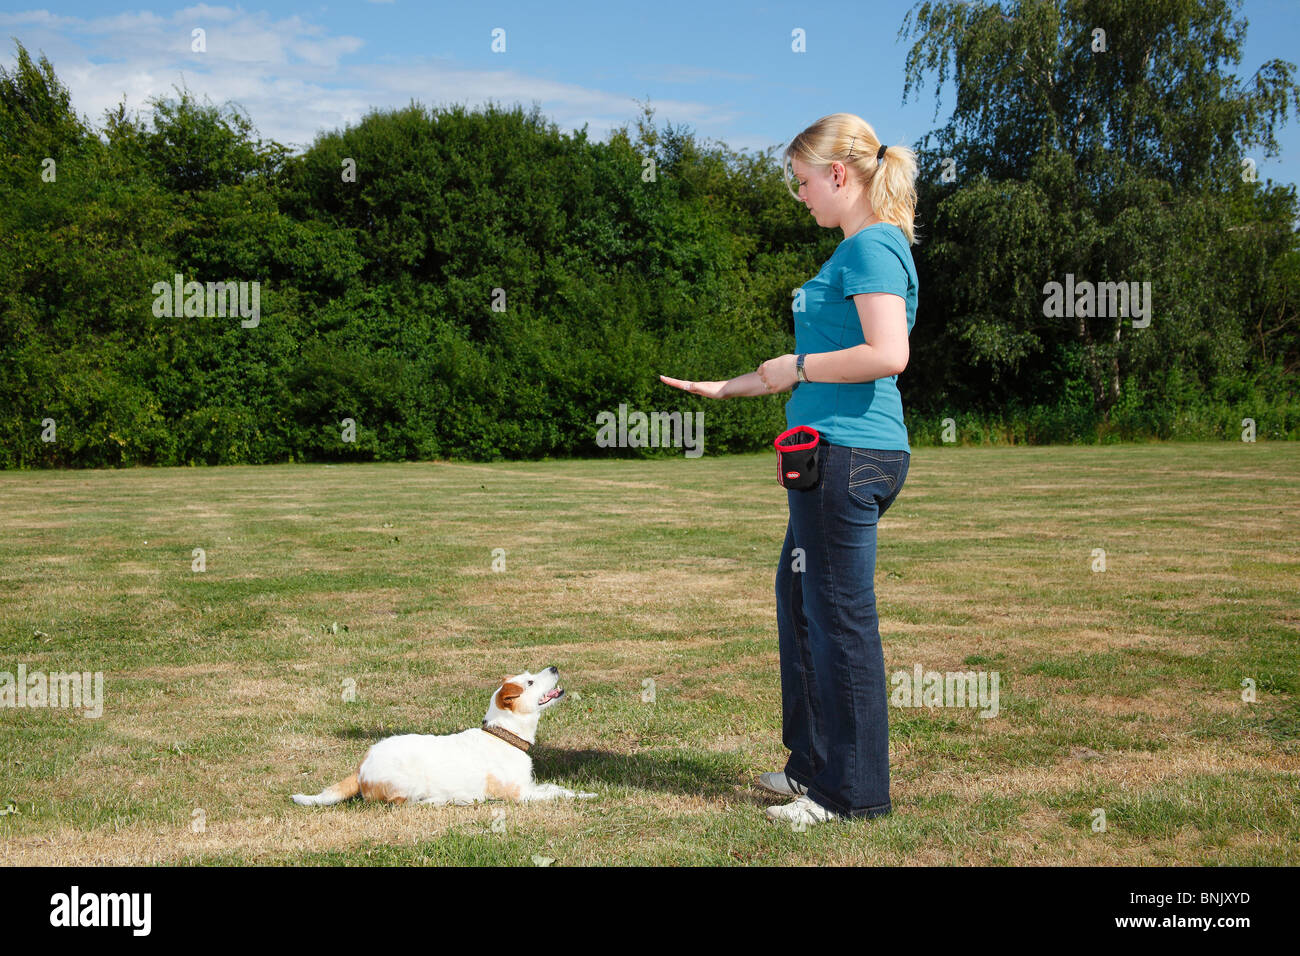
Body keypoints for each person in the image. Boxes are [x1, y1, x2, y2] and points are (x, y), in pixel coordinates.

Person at [660, 113, 919, 826]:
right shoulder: (857, 251)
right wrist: (732, 385)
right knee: (803, 607)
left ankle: (851, 793)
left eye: (802, 181)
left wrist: (795, 366)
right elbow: (804, 371)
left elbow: (887, 352)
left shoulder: (870, 248)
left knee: (837, 619)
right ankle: (811, 769)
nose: (798, 194)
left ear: (839, 175)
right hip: (829, 449)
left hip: (849, 454)